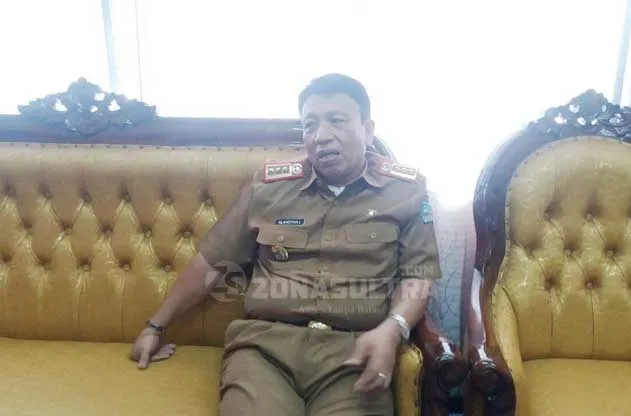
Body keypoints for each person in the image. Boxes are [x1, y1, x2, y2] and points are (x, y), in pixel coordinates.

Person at [129, 73, 442, 416]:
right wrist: (155, 326)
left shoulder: (405, 191)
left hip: (355, 351)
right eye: (310, 125)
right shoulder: (270, 187)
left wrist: (393, 329)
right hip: (266, 349)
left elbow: (418, 276)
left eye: (336, 121)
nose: (321, 136)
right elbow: (212, 262)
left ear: (368, 130)